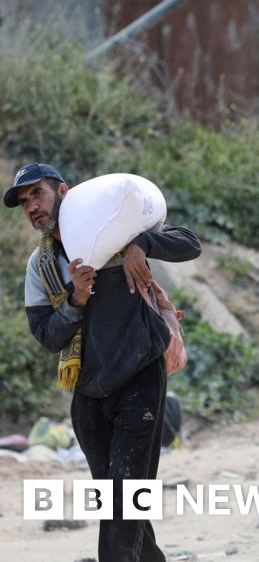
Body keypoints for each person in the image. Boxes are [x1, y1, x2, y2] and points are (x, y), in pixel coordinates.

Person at [6, 162, 201, 562]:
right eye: (24, 203)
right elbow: (46, 335)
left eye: (37, 194)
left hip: (140, 380)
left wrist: (141, 244)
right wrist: (76, 299)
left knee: (121, 503)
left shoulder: (115, 230)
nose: (32, 207)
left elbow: (189, 244)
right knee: (123, 507)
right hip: (88, 393)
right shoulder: (40, 266)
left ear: (64, 191)